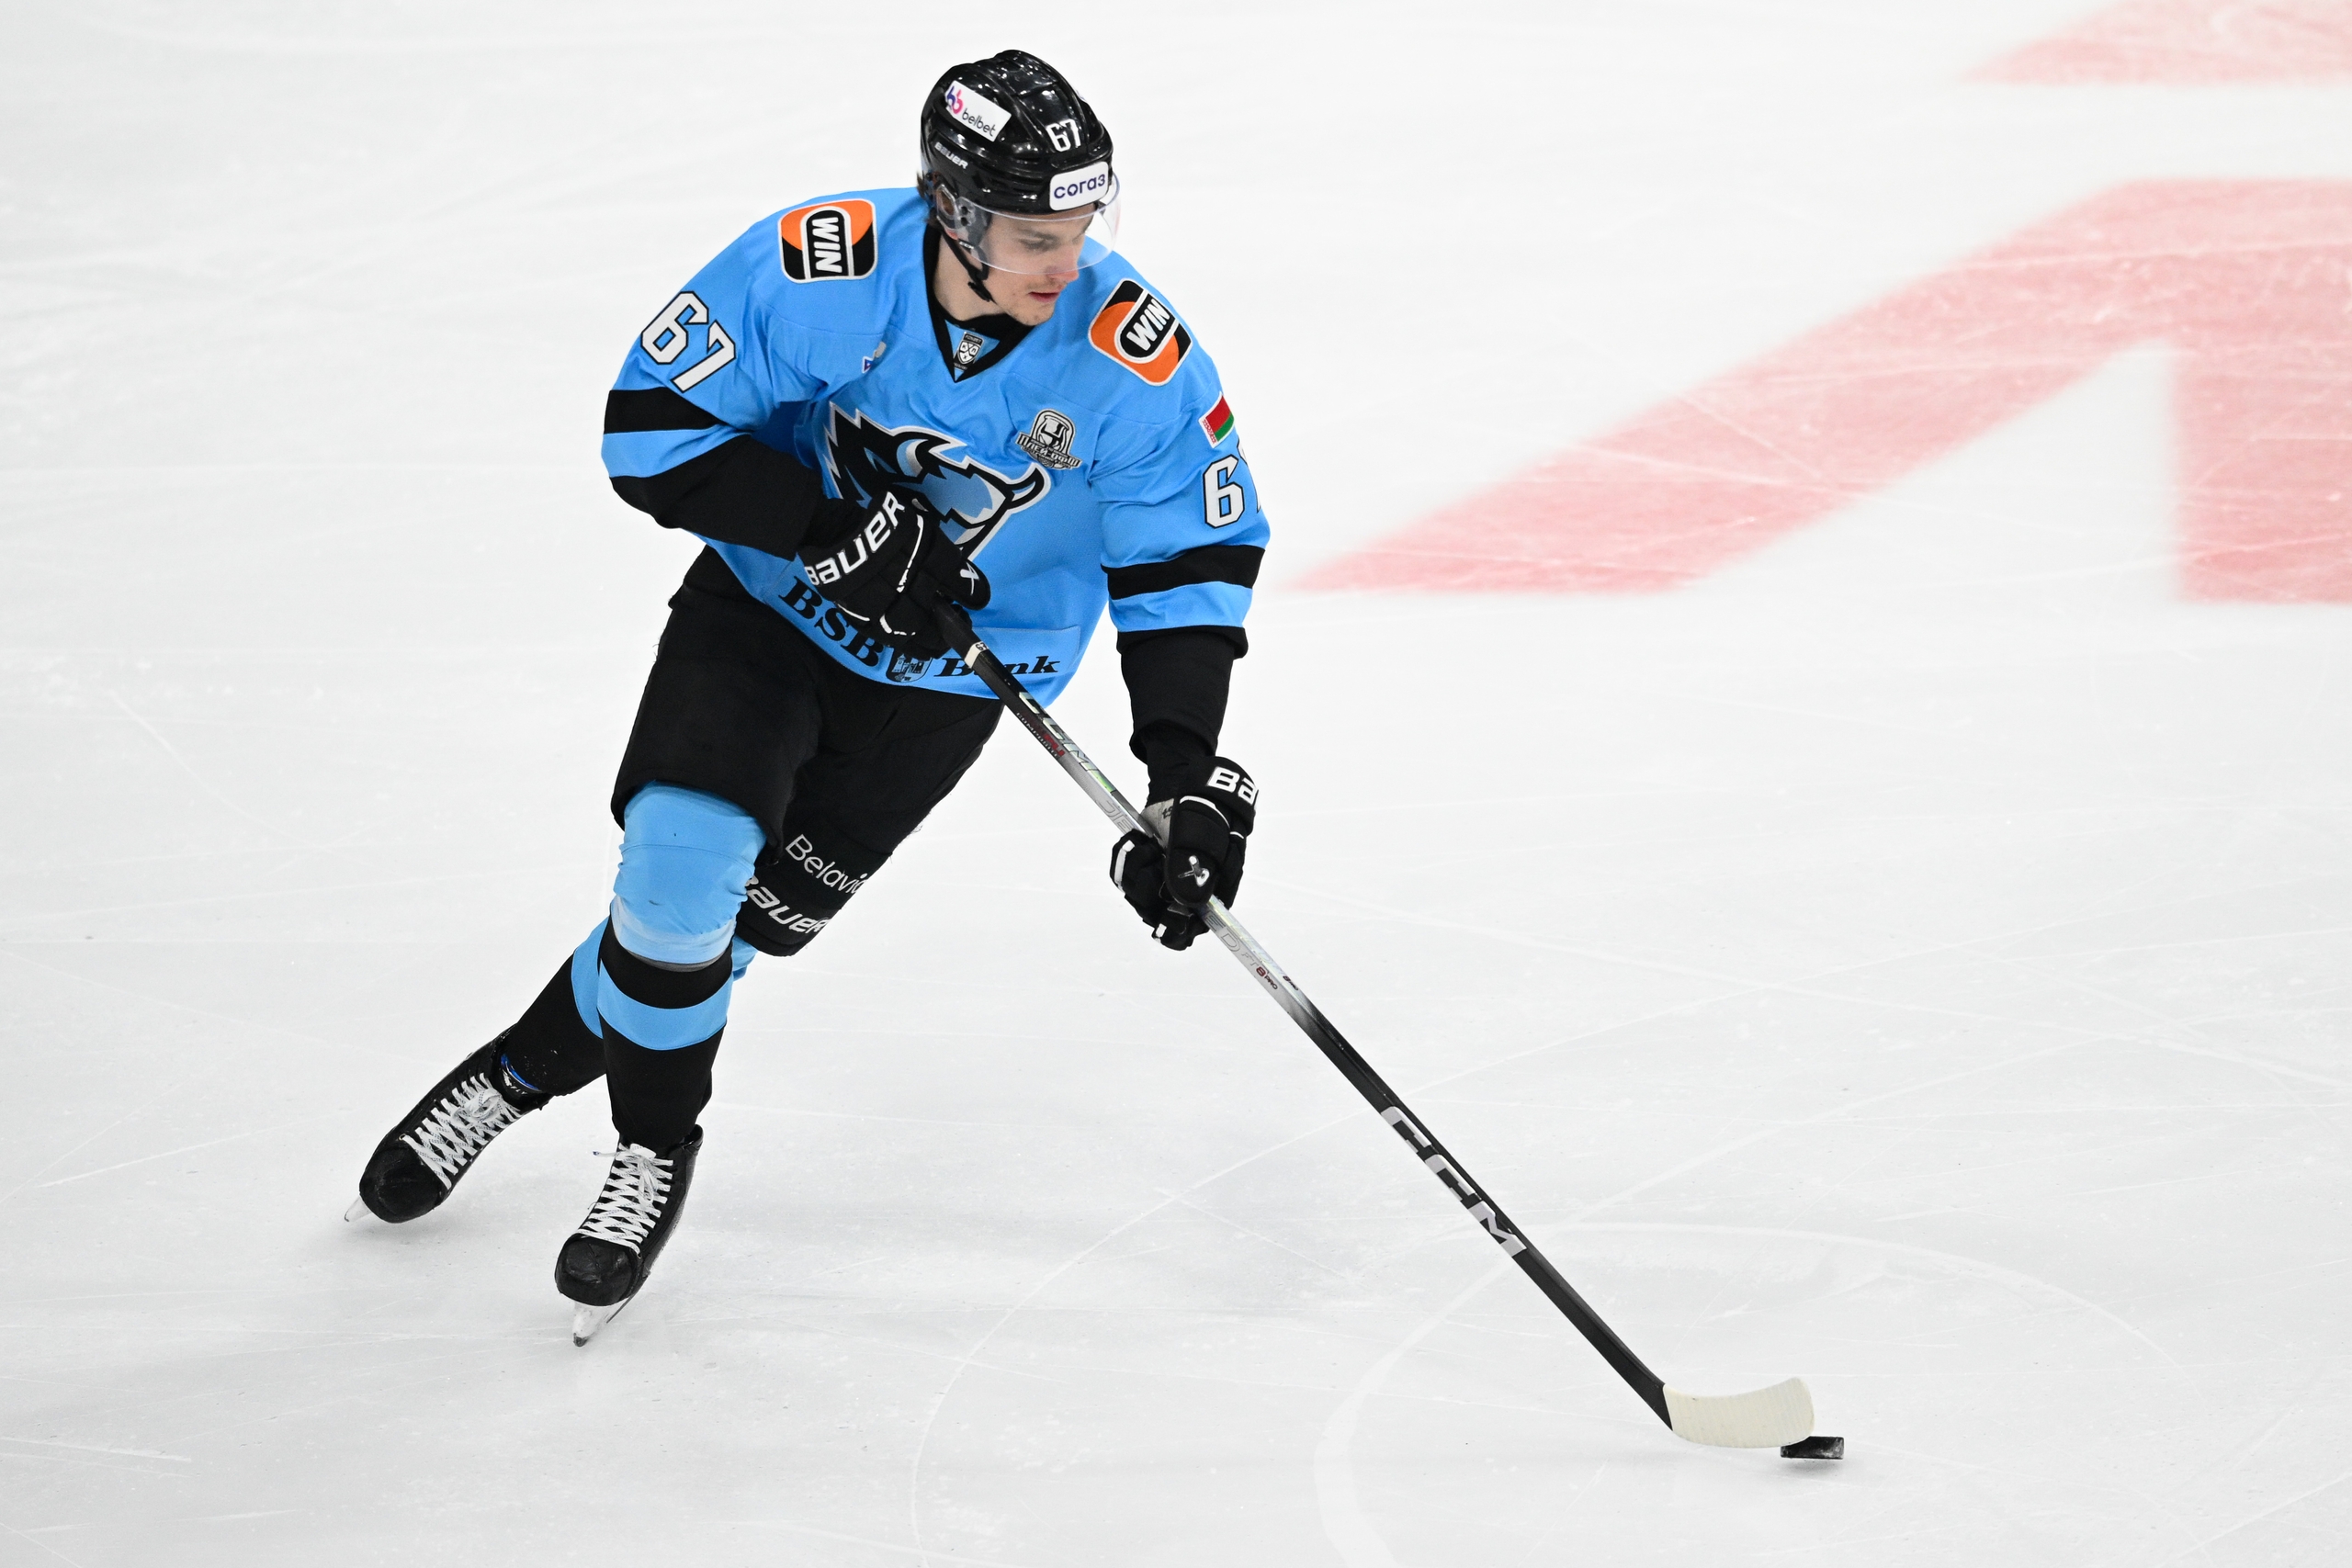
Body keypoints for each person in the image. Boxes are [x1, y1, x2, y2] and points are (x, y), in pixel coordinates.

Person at [347, 50, 1270, 1342]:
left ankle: (513, 1070)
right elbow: (650, 427)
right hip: (766, 623)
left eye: (1079, 232)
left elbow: (1188, 560)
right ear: (954, 211)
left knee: (729, 937)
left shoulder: (1130, 355)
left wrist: (1183, 777)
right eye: (1033, 238)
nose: (1066, 266)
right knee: (678, 876)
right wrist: (826, 526)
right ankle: (652, 1150)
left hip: (949, 684)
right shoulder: (820, 269)